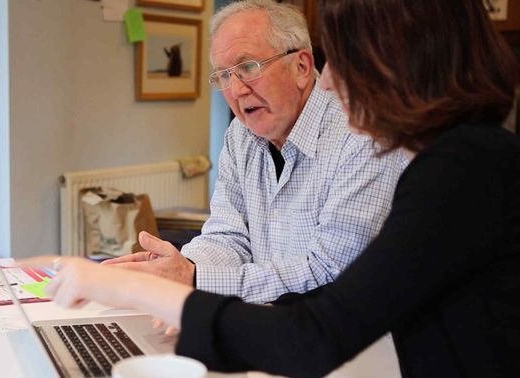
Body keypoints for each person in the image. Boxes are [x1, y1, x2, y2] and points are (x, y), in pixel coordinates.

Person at [41, 0, 520, 376]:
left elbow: (315, 329)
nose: (331, 82)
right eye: (224, 76)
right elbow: (236, 247)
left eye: (345, 58)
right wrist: (182, 273)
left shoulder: (461, 166)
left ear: (402, 58)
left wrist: (131, 285)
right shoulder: (466, 158)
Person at [103, 0, 406, 304]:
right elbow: (227, 238)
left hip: (352, 340)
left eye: (248, 67)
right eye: (223, 75)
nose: (235, 91)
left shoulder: (363, 136)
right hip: (268, 324)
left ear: (301, 67)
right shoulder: (241, 136)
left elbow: (330, 271)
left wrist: (194, 278)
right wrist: (179, 269)